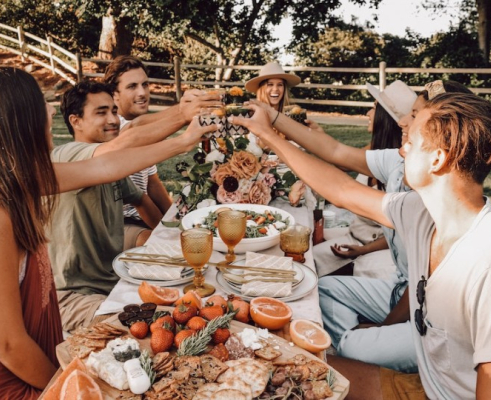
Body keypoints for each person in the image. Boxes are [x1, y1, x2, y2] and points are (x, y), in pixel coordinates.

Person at [231, 91, 491, 399]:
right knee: (288, 370)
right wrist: (267, 133)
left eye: (411, 141)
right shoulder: (420, 210)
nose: (402, 149)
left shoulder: (482, 261)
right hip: (423, 383)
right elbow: (341, 189)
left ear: (438, 159)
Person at [0, 66, 214, 398]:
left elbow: (105, 166)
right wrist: (67, 383)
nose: (51, 110)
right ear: (20, 120)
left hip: (44, 354)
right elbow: (8, 345)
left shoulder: (23, 180)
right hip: (21, 382)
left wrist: (184, 142)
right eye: (42, 102)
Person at [50, 80, 216, 332]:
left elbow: (142, 201)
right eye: (101, 112)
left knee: (192, 300)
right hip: (72, 297)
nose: (113, 120)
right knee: (152, 329)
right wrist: (183, 126)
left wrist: (171, 240)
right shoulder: (67, 155)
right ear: (76, 121)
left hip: (115, 280)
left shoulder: (113, 168)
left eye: (114, 111)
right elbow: (122, 143)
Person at [313, 81, 413, 280]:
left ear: (385, 118)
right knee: (307, 257)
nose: (368, 113)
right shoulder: (375, 149)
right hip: (355, 237)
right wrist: (318, 136)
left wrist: (362, 250)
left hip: (376, 251)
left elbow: (402, 233)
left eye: (374, 108)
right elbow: (342, 160)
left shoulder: (403, 170)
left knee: (312, 268)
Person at [103, 56, 172, 249]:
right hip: (117, 223)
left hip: (141, 219)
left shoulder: (141, 131)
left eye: (145, 84)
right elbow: (133, 132)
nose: (142, 92)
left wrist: (177, 221)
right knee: (161, 248)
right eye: (132, 86)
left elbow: (153, 183)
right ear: (114, 94)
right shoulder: (115, 127)